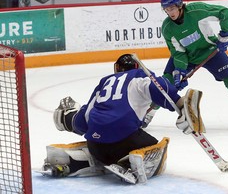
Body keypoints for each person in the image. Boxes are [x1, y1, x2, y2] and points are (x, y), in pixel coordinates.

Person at [40, 54, 203, 184]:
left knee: (100, 138)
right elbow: (159, 87)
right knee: (158, 146)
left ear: (116, 69)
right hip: (126, 142)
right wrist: (181, 105)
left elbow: (84, 121)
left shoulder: (104, 82)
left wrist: (71, 121)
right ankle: (128, 163)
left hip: (96, 146)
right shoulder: (140, 75)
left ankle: (81, 160)